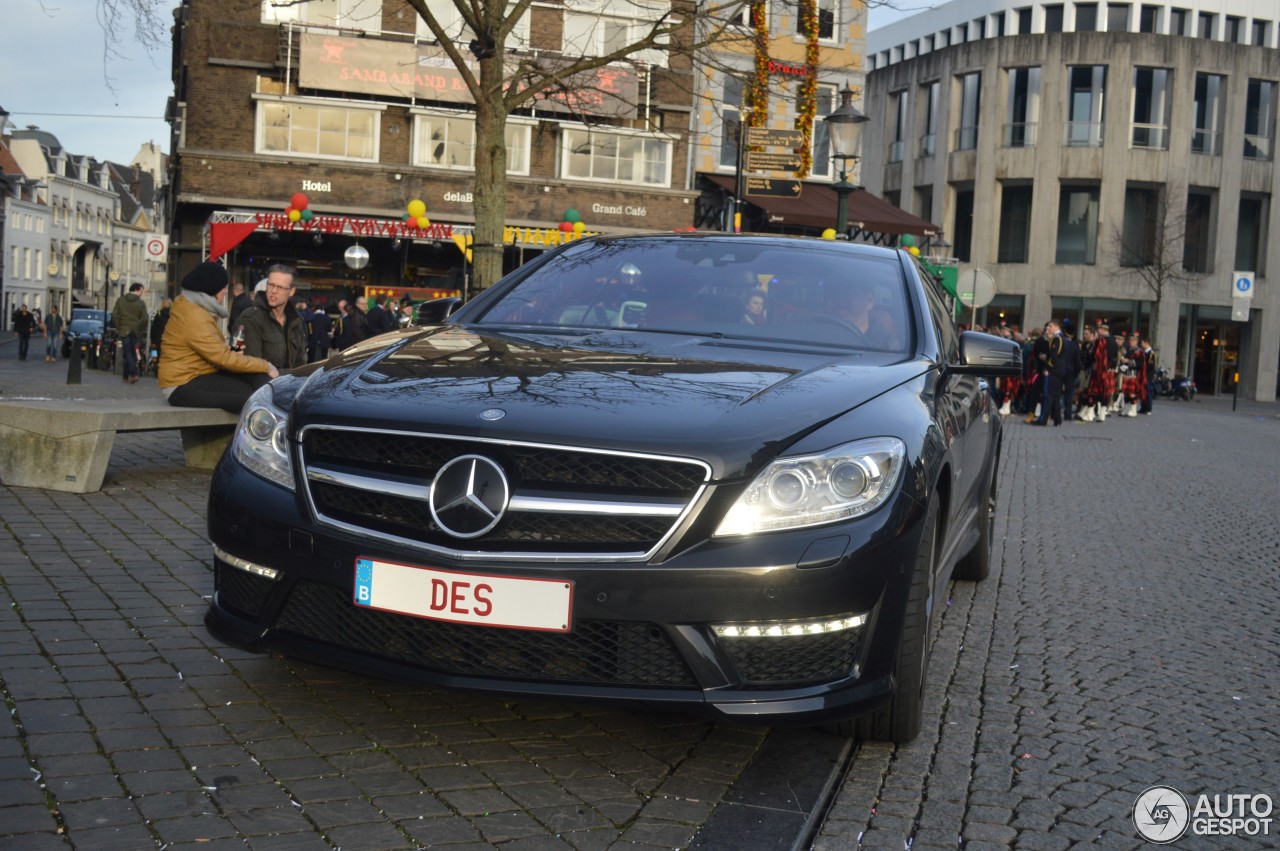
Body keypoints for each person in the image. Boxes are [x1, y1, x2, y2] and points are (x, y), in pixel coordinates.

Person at [160, 261, 278, 412]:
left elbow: (213, 351)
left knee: (256, 382)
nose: (226, 292)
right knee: (251, 399)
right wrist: (266, 365)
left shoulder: (192, 308)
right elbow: (223, 359)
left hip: (195, 375)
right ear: (212, 290)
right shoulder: (194, 316)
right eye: (224, 288)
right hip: (182, 385)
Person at [239, 264, 307, 370]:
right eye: (271, 285)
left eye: (280, 287)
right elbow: (252, 366)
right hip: (262, 385)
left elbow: (300, 363)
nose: (273, 291)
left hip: (290, 384)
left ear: (291, 291)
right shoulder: (251, 317)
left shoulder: (296, 321)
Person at [112, 283, 149, 384]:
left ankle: (129, 375)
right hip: (135, 331)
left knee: (127, 353)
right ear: (136, 290)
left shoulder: (120, 300)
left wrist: (119, 327)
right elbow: (145, 318)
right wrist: (139, 327)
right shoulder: (141, 303)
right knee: (131, 353)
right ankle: (131, 374)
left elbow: (115, 315)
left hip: (124, 330)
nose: (142, 293)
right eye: (141, 291)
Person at [1032, 320, 1066, 426]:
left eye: (1050, 326)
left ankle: (1043, 419)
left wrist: (1047, 368)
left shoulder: (1057, 339)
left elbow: (1054, 356)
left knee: (1048, 396)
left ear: (1056, 326)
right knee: (1054, 396)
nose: (1048, 328)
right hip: (1057, 371)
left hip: (1053, 371)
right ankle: (1057, 419)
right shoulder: (1057, 338)